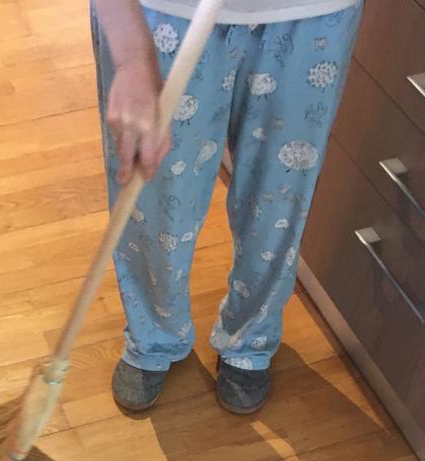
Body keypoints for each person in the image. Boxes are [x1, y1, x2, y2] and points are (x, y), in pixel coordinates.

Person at [92, 0, 363, 413]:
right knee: (152, 201)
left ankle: (249, 340)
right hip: (162, 14)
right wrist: (129, 54)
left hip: (313, 13)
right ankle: (154, 334)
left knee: (278, 203)